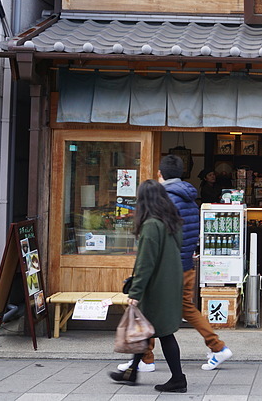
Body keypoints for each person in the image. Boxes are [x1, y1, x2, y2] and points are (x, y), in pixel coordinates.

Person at [118, 155, 233, 374]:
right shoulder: (189, 196)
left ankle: (149, 358)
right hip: (186, 262)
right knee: (180, 308)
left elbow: (160, 236)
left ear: (160, 174)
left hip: (168, 267)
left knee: (152, 308)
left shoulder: (165, 199)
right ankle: (147, 358)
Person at [109, 180, 186, 393]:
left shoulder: (151, 225)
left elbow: (145, 262)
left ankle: (178, 378)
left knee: (163, 332)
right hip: (170, 281)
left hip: (157, 286)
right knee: (146, 329)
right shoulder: (172, 222)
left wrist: (135, 292)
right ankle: (132, 371)